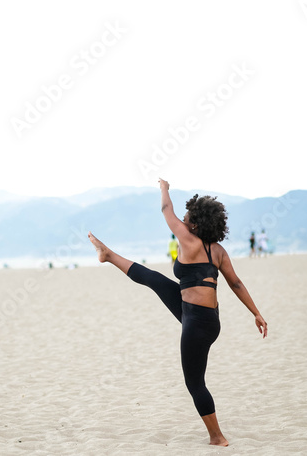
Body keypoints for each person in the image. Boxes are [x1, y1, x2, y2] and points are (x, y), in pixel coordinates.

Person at [88, 178, 267, 447]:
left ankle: (217, 437)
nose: (182, 221)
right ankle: (108, 255)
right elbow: (235, 283)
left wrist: (164, 188)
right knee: (154, 279)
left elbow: (165, 210)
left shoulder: (187, 238)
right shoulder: (217, 251)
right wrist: (256, 313)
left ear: (195, 224)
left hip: (196, 323)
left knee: (195, 383)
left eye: (187, 218)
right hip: (204, 317)